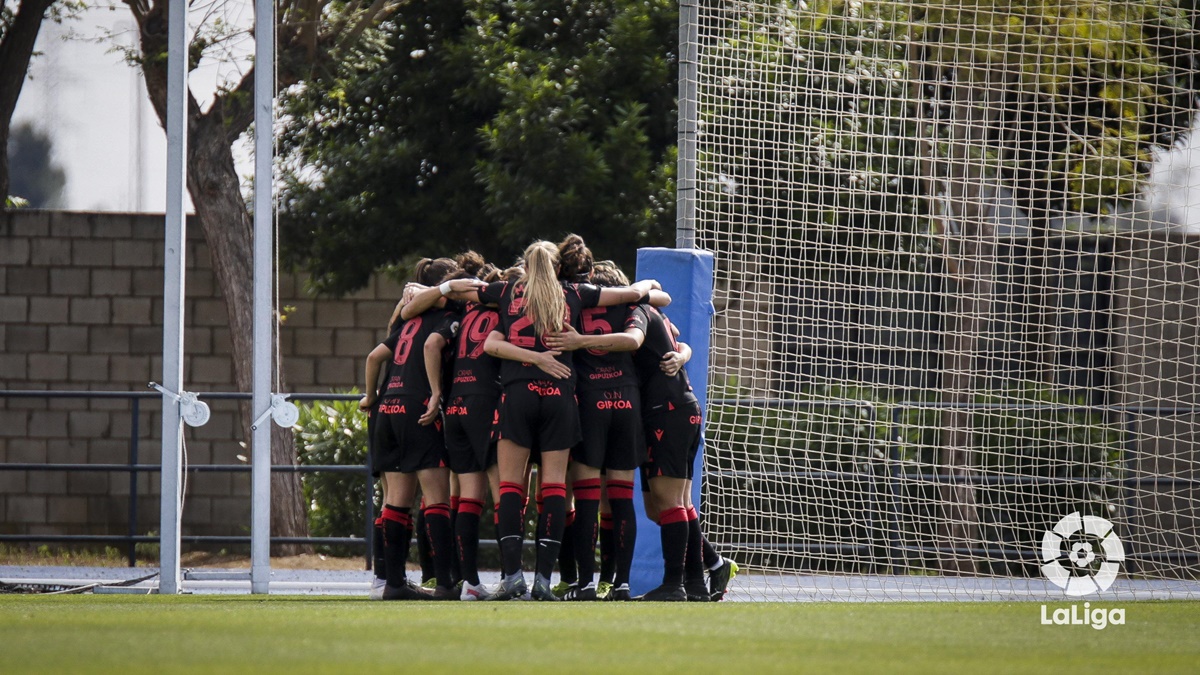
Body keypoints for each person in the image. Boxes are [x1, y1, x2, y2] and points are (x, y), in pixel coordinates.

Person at [452, 240, 667, 601]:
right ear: (557, 266)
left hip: (517, 393)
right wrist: (649, 286)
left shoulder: (505, 290)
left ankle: (513, 576)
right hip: (560, 394)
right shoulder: (574, 292)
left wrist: (436, 289)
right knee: (554, 487)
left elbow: (466, 290)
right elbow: (630, 294)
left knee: (510, 488)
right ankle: (543, 580)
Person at [546, 290, 736, 601]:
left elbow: (636, 340)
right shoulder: (645, 311)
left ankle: (674, 584)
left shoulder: (633, 311)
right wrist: (683, 353)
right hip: (670, 410)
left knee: (670, 501)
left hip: (667, 410)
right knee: (661, 506)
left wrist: (579, 341)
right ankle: (702, 578)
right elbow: (675, 337)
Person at [359, 258, 482, 601]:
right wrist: (437, 393)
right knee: (436, 499)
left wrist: (370, 396)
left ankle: (391, 582)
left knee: (395, 500)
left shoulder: (408, 319)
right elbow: (432, 347)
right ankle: (445, 583)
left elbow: (372, 357)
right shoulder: (449, 318)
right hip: (418, 407)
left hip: (387, 406)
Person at [423, 252, 505, 600]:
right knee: (505, 494)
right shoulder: (503, 307)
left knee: (467, 497)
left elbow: (432, 343)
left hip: (455, 405)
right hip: (484, 404)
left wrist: (437, 392)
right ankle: (509, 577)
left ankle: (468, 581)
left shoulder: (461, 313)